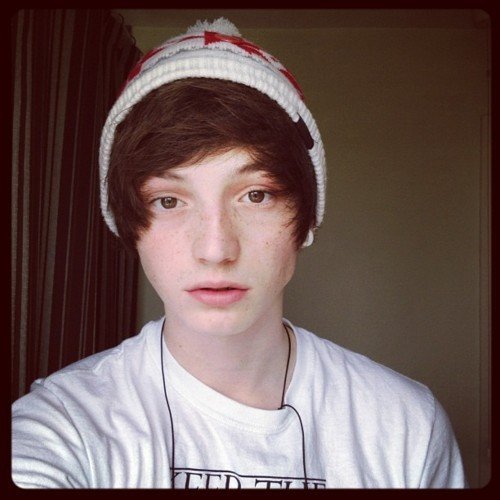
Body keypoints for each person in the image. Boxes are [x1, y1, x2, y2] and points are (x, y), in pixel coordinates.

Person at [12, 18, 466, 489]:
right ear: (127, 223)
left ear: (307, 217)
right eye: (168, 201)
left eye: (256, 195)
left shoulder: (407, 428)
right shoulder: (65, 426)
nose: (215, 249)